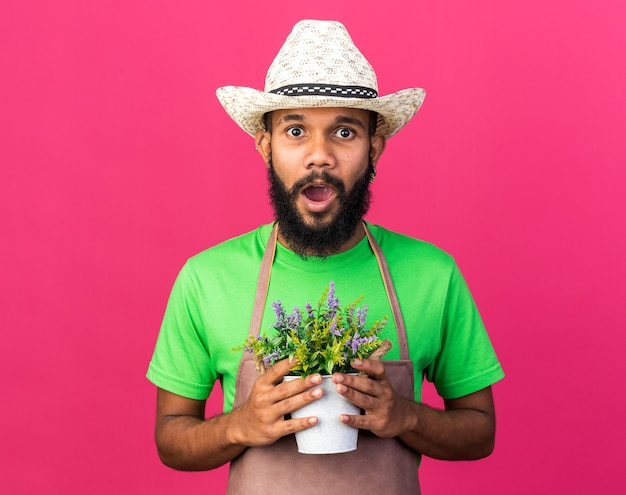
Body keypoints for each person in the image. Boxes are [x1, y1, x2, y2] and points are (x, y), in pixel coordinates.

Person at [147, 19, 504, 494]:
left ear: (374, 148)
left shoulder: (432, 274)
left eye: (344, 132)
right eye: (295, 130)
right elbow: (172, 438)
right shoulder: (206, 277)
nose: (320, 156)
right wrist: (238, 426)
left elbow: (479, 431)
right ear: (265, 145)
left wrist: (405, 416)